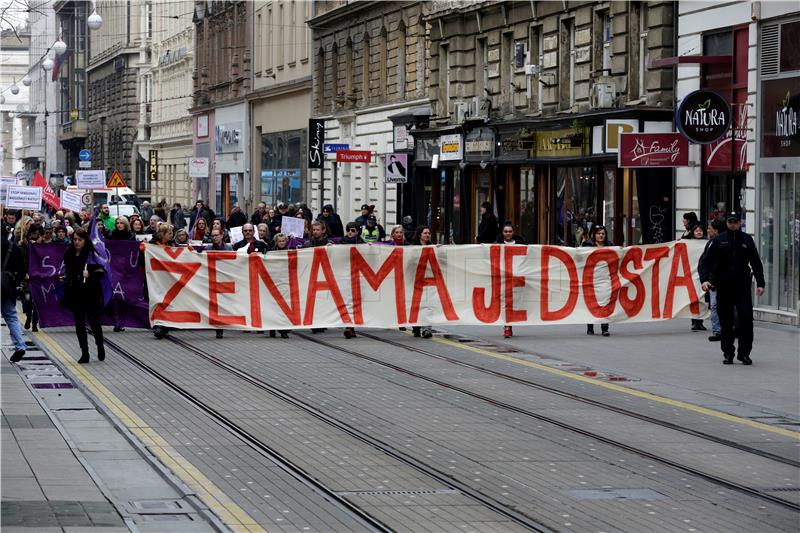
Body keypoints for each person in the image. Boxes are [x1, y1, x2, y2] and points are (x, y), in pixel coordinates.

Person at [699, 211, 765, 365]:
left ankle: (744, 353)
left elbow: (756, 262)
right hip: (723, 287)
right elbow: (705, 262)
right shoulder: (719, 240)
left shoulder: (747, 240)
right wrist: (704, 280)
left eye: (735, 222)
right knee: (726, 321)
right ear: (727, 223)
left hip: (742, 287)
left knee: (746, 320)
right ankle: (728, 352)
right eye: (730, 222)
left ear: (739, 223)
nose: (733, 224)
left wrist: (760, 283)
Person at [61, 228, 107, 364]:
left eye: (79, 240)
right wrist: (65, 277)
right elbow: (68, 270)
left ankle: (99, 345)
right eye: (74, 239)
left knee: (94, 321)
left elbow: (101, 271)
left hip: (90, 292)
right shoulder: (69, 253)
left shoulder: (91, 254)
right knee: (79, 323)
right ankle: (84, 352)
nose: (76, 242)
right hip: (76, 291)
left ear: (85, 240)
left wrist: (91, 274)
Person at [496, 223, 527, 338]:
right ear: (502, 233)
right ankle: (507, 327)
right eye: (506, 231)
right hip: (503, 278)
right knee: (506, 303)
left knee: (514, 303)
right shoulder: (496, 245)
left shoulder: (521, 245)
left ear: (513, 232)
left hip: (517, 279)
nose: (508, 233)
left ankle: (509, 326)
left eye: (510, 231)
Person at [582, 225, 613, 336]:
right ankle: (590, 327)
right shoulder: (587, 245)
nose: (601, 236)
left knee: (605, 303)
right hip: (591, 278)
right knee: (591, 303)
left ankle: (604, 328)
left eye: (603, 234)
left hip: (605, 279)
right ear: (594, 235)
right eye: (598, 233)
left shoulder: (610, 246)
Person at [2, 226, 27, 362]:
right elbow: (22, 270)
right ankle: (20, 346)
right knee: (11, 317)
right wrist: (13, 282)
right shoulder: (14, 248)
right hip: (7, 288)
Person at [704, 218, 726, 342]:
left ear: (716, 231)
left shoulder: (726, 241)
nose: (708, 231)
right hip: (714, 280)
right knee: (714, 305)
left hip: (726, 279)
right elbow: (705, 261)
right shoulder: (711, 243)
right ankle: (717, 331)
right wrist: (705, 278)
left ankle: (728, 329)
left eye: (710, 229)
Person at [411, 226, 435, 338]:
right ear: (420, 234)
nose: (427, 235)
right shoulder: (413, 247)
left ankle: (426, 328)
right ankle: (416, 326)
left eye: (428, 233)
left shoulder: (432, 246)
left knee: (428, 304)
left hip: (429, 280)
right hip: (416, 279)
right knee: (417, 304)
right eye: (425, 233)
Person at [266, 233, 291, 339]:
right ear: (276, 242)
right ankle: (273, 327)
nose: (281, 243)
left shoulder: (291, 252)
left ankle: (283, 329)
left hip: (285, 282)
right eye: (279, 241)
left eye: (283, 241)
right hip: (274, 281)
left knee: (284, 306)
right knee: (274, 306)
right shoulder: (271, 253)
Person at [686, 223, 708, 332]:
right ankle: (694, 322)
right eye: (696, 231)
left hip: (703, 275)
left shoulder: (707, 243)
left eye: (700, 230)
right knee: (694, 299)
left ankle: (700, 322)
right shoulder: (688, 243)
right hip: (692, 275)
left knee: (702, 299)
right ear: (693, 233)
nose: (699, 232)